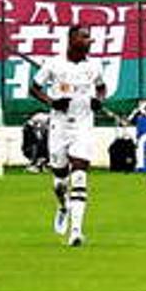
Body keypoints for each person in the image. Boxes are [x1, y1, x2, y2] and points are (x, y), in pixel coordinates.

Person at [31, 25, 106, 247]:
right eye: (84, 37)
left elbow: (102, 88)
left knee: (80, 174)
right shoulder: (53, 64)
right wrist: (52, 102)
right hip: (59, 126)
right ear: (72, 39)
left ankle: (76, 231)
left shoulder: (94, 65)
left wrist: (99, 101)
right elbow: (34, 88)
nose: (89, 41)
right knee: (60, 180)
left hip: (83, 125)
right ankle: (63, 205)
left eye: (89, 38)